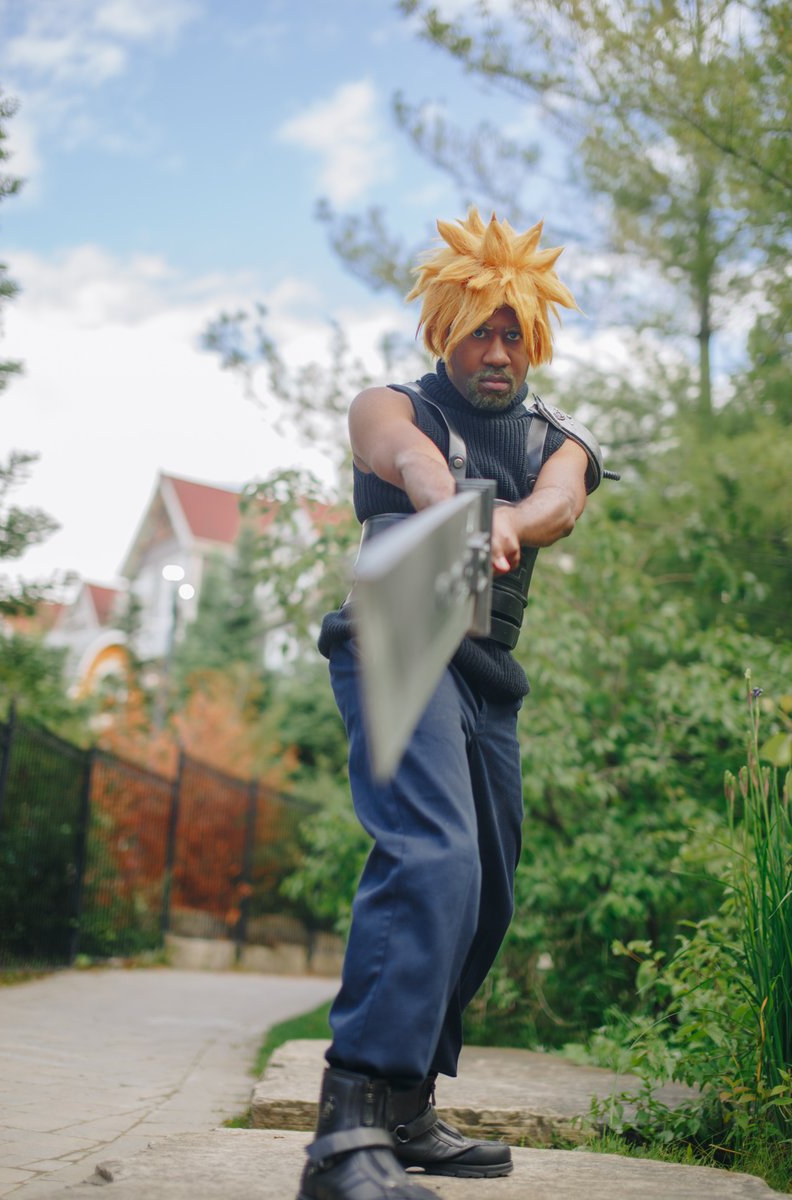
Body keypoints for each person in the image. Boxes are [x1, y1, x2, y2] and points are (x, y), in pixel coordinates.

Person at [299, 208, 603, 1200]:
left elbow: (561, 498)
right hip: (398, 629)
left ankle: (405, 1106)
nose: (496, 350)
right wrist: (452, 508)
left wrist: (514, 519)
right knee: (433, 854)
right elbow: (407, 459)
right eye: (478, 330)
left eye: (513, 332)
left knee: (484, 893)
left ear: (535, 340)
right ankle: (346, 1133)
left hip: (485, 677)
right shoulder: (392, 405)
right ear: (444, 330)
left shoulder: (559, 438)